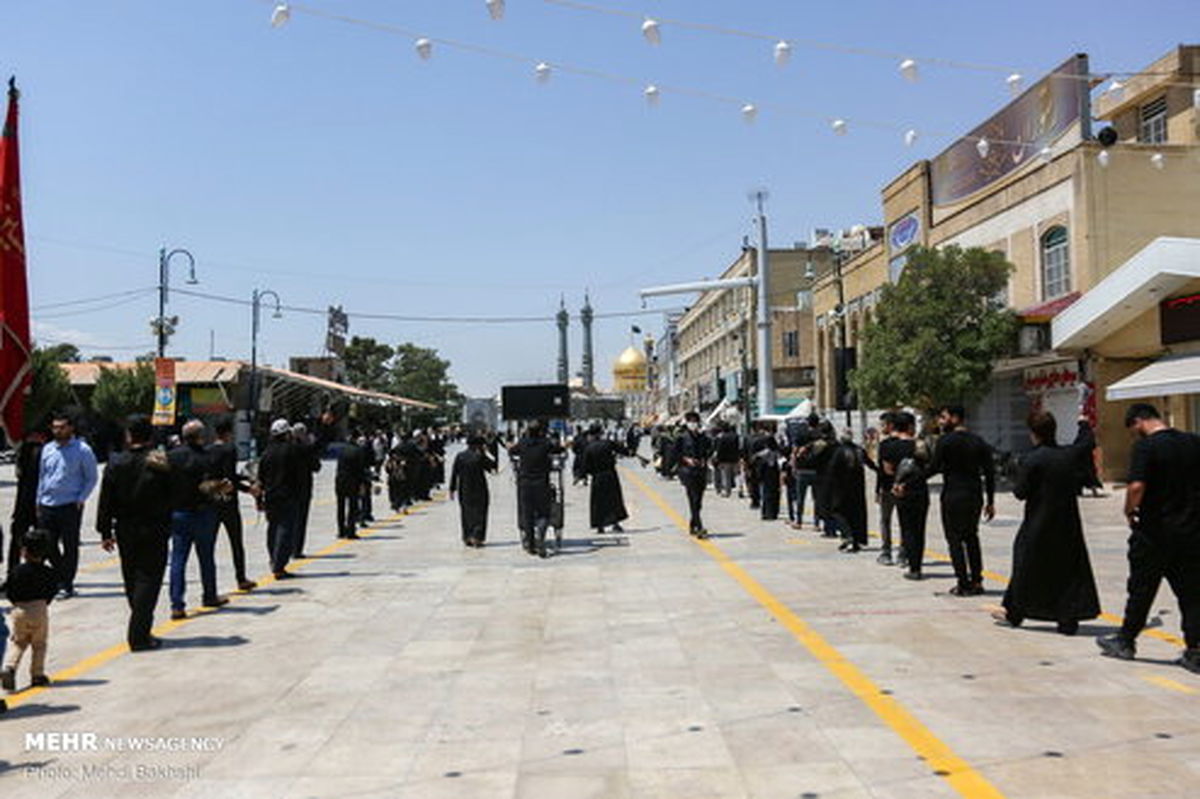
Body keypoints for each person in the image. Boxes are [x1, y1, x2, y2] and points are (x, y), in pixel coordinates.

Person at [1097, 403, 1200, 673]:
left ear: (1139, 422)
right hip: (1191, 532)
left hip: (1154, 534)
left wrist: (1129, 511)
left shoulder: (1146, 447)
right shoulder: (1193, 442)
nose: (1134, 436)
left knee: (1141, 589)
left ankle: (1126, 641)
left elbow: (1137, 486)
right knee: (1192, 595)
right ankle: (1195, 650)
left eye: (1133, 431)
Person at [996, 412, 1100, 636]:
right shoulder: (1068, 455)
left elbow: (1020, 493)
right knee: (1068, 571)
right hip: (1067, 524)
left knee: (1025, 564)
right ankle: (1067, 619)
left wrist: (1015, 474)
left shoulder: (1032, 459)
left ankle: (1014, 612)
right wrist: (1082, 422)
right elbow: (1087, 442)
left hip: (1039, 523)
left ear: (1033, 433)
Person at [96, 415, 173, 651]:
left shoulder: (116, 461)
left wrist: (105, 530)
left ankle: (141, 626)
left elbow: (105, 499)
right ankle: (138, 634)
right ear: (149, 435)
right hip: (154, 527)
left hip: (125, 528)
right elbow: (173, 492)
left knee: (131, 579)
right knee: (149, 580)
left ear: (129, 435)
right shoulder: (157, 458)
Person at [926, 405, 995, 596]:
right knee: (972, 537)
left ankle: (962, 582)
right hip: (974, 496)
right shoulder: (979, 441)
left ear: (955, 418)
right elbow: (990, 473)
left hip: (953, 496)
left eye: (943, 417)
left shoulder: (945, 441)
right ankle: (977, 581)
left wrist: (910, 481)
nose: (940, 421)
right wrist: (990, 501)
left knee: (954, 540)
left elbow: (933, 468)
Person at [167, 419, 230, 619]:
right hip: (203, 512)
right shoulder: (208, 457)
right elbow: (211, 487)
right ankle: (209, 595)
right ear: (201, 436)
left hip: (178, 513)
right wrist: (224, 488)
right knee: (206, 557)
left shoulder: (171, 456)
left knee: (178, 559)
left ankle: (177, 604)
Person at [36, 411, 98, 598]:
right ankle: (60, 576)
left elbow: (91, 478)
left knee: (70, 546)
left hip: (70, 505)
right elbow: (43, 476)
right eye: (55, 427)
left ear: (71, 428)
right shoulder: (47, 449)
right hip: (48, 504)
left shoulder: (82, 450)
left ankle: (66, 583)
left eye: (62, 427)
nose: (58, 430)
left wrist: (81, 498)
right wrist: (38, 500)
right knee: (47, 545)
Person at [1, 530, 58, 691]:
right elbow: (51, 590)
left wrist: (16, 603)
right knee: (39, 644)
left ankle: (10, 667)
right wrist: (44, 602)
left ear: (24, 551)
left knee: (19, 643)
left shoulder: (17, 571)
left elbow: (9, 590)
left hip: (19, 610)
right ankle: (37, 675)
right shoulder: (48, 572)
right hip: (40, 609)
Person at [207, 418, 256, 592]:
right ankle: (241, 578)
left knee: (209, 545)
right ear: (229, 433)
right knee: (236, 541)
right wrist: (248, 489)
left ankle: (210, 585)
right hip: (228, 502)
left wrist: (243, 479)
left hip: (212, 500)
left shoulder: (208, 450)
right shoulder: (229, 450)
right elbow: (230, 477)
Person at [885, 412, 930, 580]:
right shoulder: (920, 445)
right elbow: (928, 468)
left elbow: (887, 470)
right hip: (920, 491)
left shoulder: (890, 446)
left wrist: (897, 483)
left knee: (907, 529)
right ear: (910, 427)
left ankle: (912, 566)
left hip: (900, 491)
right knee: (919, 529)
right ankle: (917, 565)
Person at [510, 420, 562, 557]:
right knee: (543, 513)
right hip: (541, 484)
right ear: (541, 431)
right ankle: (541, 538)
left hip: (525, 484)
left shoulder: (522, 443)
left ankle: (531, 545)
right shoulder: (545, 443)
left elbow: (511, 450)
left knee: (527, 514)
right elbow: (559, 449)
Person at [257, 419, 301, 578]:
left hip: (270, 496)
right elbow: (298, 474)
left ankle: (273, 560)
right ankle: (279, 565)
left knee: (273, 529)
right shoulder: (291, 450)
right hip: (288, 495)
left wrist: (258, 499)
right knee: (285, 530)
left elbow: (260, 478)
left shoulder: (266, 453)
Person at [7, 428, 46, 585]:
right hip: (27, 504)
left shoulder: (40, 452)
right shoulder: (28, 451)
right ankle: (20, 574)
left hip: (31, 503)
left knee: (30, 541)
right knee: (33, 541)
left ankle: (16, 574)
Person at [582, 424, 629, 534]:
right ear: (600, 433)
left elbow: (585, 466)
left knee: (598, 502)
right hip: (610, 475)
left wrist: (587, 474)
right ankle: (615, 523)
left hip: (597, 477)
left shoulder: (589, 448)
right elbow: (623, 450)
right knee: (614, 500)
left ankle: (600, 526)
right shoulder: (608, 443)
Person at [449, 436, 495, 547]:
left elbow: (454, 473)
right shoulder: (480, 456)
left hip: (464, 489)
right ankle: (477, 537)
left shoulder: (460, 456)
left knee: (466, 513)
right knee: (480, 513)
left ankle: (467, 536)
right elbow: (492, 466)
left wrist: (452, 488)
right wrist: (485, 453)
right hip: (480, 489)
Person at [673, 411, 712, 538]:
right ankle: (699, 527)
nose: (693, 424)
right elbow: (675, 454)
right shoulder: (681, 437)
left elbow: (709, 450)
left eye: (695, 421)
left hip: (701, 471)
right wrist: (686, 459)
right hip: (687, 472)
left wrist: (704, 460)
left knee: (698, 501)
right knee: (693, 498)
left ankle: (692, 524)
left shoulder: (703, 437)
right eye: (691, 421)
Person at [828, 431, 868, 553]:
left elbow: (832, 469)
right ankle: (855, 540)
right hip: (858, 488)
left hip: (841, 488)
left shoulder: (839, 451)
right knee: (855, 514)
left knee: (837, 512)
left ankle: (848, 536)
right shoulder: (860, 450)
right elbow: (871, 464)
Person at [290, 422, 322, 558]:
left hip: (287, 489)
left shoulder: (286, 448)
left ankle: (286, 548)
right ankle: (296, 549)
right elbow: (316, 467)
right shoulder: (306, 449)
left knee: (288, 521)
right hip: (303, 489)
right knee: (300, 520)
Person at [873, 413, 899, 565]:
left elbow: (881, 471)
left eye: (883, 425)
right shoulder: (909, 444)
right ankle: (903, 553)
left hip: (888, 487)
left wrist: (878, 490)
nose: (881, 428)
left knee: (885, 520)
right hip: (904, 488)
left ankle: (886, 552)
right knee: (903, 522)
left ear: (890, 425)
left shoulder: (885, 445)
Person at [335, 432, 370, 540]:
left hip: (340, 481)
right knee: (352, 507)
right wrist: (364, 483)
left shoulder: (342, 450)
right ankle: (351, 531)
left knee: (340, 507)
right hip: (352, 482)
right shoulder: (358, 451)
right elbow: (360, 470)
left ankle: (341, 530)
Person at [754, 428, 782, 521]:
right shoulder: (777, 452)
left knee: (766, 493)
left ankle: (766, 513)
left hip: (766, 474)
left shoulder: (763, 453)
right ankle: (773, 512)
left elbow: (755, 459)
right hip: (775, 474)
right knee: (775, 493)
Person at [713, 423, 741, 499]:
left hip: (725, 460)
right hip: (735, 459)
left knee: (726, 476)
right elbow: (739, 447)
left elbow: (719, 449)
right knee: (737, 475)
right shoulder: (735, 436)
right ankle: (740, 489)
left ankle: (727, 492)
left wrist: (718, 459)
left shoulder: (722, 437)